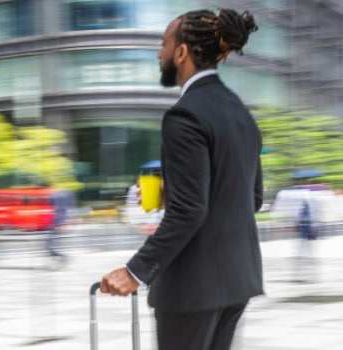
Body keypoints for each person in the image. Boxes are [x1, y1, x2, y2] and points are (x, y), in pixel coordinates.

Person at [99, 8, 262, 350]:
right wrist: (172, 192)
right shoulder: (240, 113)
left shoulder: (184, 115)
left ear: (182, 52)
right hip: (237, 282)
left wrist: (135, 271)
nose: (159, 54)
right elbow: (253, 198)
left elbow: (190, 210)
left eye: (163, 44)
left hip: (192, 289)